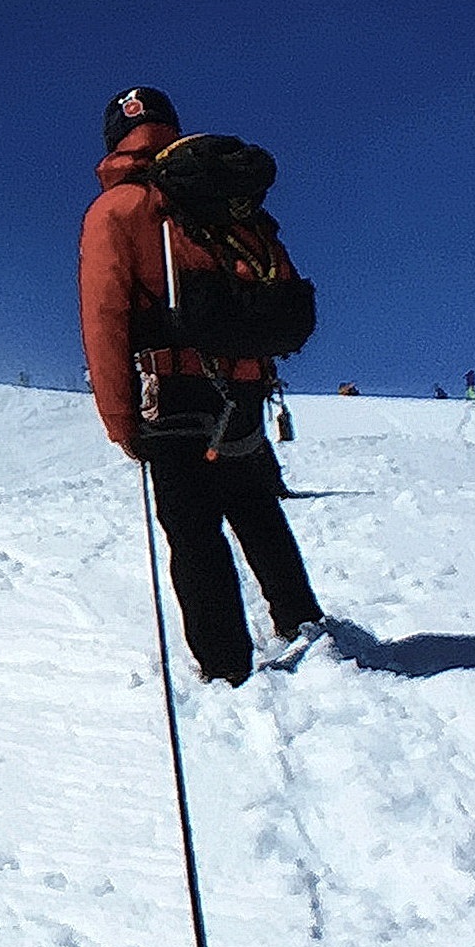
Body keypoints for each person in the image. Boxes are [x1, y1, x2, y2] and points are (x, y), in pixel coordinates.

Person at [79, 86, 324, 684]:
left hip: (171, 395)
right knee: (256, 509)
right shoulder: (227, 203)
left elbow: (105, 317)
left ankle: (226, 669)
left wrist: (120, 419)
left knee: (193, 533)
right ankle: (304, 627)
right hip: (241, 390)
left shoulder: (115, 211)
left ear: (114, 140)